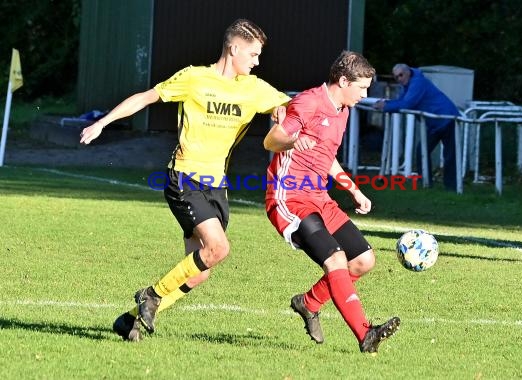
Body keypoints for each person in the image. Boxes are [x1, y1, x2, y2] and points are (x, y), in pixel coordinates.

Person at [80, 18, 290, 341]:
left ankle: (131, 320)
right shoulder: (194, 78)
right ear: (234, 49)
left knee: (200, 272)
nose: (257, 61)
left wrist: (283, 114)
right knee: (218, 249)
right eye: (253, 54)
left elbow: (290, 107)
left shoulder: (254, 89)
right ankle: (151, 294)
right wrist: (103, 122)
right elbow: (146, 97)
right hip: (185, 180)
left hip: (216, 187)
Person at [263, 51, 400, 353]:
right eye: (362, 88)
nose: (365, 95)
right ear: (343, 81)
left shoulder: (343, 109)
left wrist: (354, 190)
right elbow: (271, 141)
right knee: (336, 259)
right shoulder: (309, 102)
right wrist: (292, 140)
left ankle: (308, 303)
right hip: (290, 197)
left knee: (364, 261)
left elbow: (327, 157)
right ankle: (366, 334)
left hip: (319, 198)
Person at [374, 64, 460, 191]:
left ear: (408, 72)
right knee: (422, 151)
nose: (399, 79)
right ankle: (425, 183)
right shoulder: (409, 85)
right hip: (435, 122)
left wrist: (385, 106)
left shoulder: (417, 83)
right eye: (396, 77)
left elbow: (407, 104)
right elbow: (402, 101)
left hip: (447, 119)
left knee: (449, 155)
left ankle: (451, 188)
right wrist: (386, 104)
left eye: (401, 75)